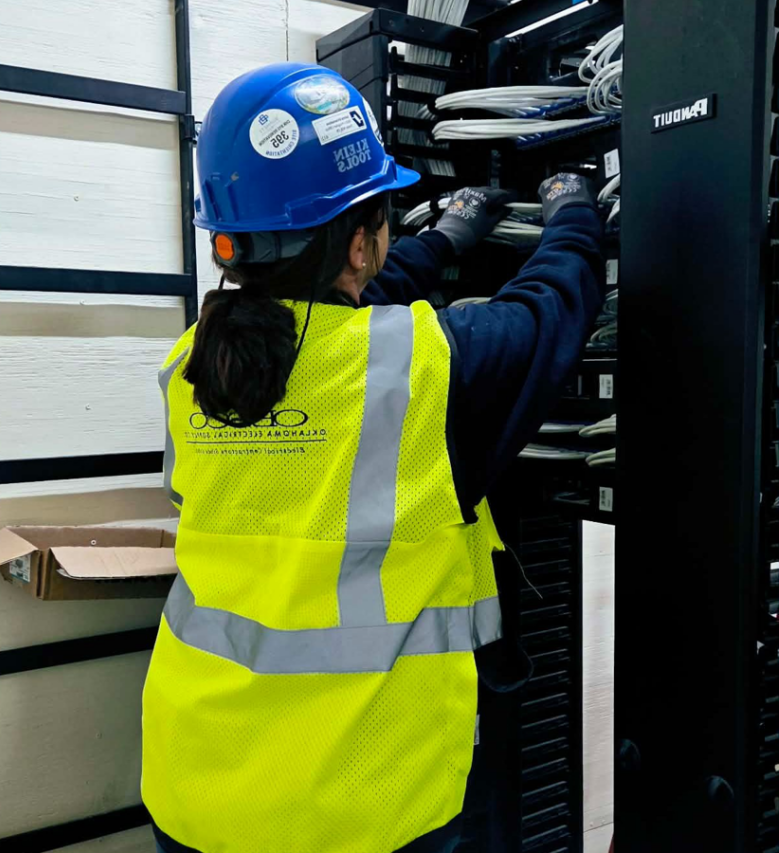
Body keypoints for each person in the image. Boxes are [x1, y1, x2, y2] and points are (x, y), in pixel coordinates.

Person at [142, 63, 604, 853]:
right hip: (362, 806)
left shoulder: (194, 365)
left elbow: (330, 317)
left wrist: (441, 237)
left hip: (198, 786)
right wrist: (572, 210)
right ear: (360, 244)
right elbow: (552, 307)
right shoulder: (423, 369)